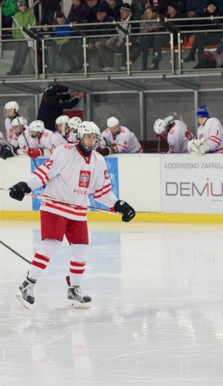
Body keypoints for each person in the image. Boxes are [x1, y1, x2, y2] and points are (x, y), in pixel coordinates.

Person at [8, 120, 135, 309]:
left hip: (78, 210)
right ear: (79, 137)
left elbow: (101, 192)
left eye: (94, 137)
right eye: (88, 136)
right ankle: (27, 285)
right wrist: (25, 186)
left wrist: (118, 204)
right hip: (54, 206)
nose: (91, 141)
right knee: (51, 245)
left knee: (81, 249)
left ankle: (74, 289)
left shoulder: (98, 160)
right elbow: (45, 172)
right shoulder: (65, 151)